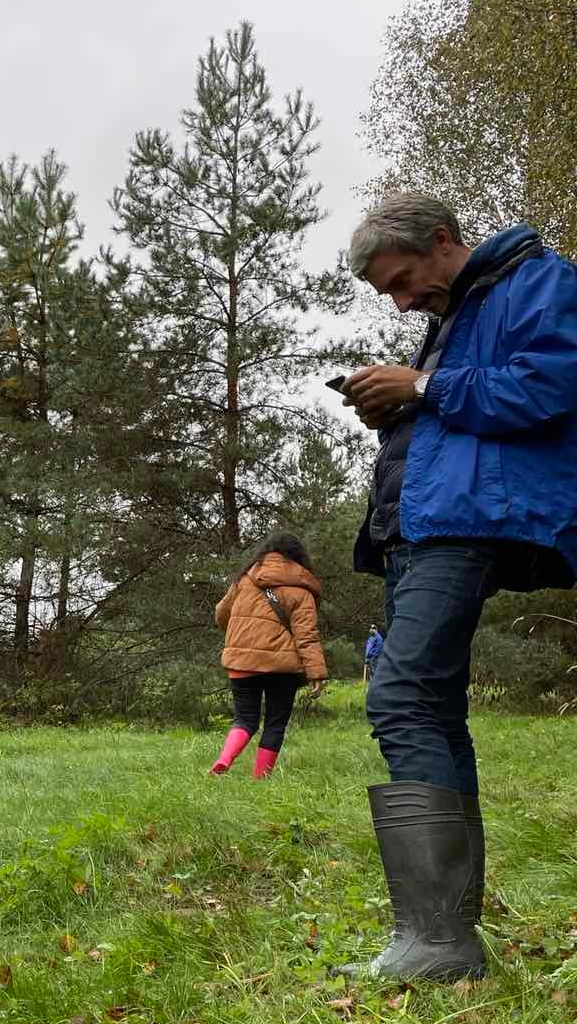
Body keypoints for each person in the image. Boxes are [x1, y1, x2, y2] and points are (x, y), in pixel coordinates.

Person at [340, 192, 577, 980]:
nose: (402, 301)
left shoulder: (537, 281)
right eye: (389, 293)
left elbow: (548, 389)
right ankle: (445, 936)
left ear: (441, 240)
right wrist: (397, 410)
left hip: (463, 527)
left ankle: (438, 938)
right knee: (435, 710)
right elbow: (460, 405)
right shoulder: (459, 311)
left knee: (401, 697)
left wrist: (422, 389)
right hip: (420, 528)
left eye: (402, 280)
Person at [209, 532, 327, 778]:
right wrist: (316, 673)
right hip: (282, 668)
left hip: (242, 663)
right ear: (298, 557)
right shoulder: (301, 588)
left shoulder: (244, 579)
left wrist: (241, 637)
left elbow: (221, 613)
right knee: (275, 723)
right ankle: (260, 777)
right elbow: (306, 636)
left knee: (245, 719)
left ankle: (224, 759)